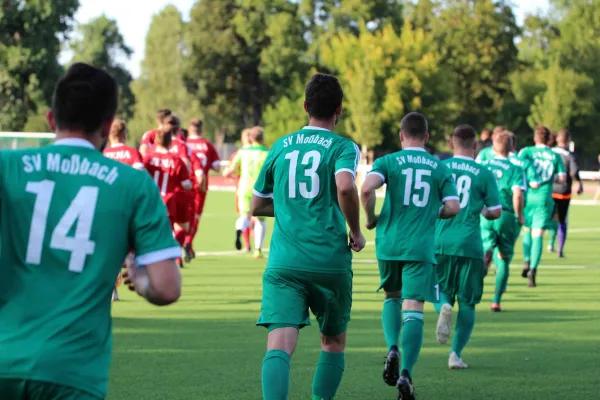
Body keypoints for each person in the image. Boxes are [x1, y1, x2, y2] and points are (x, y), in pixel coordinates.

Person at [0, 63, 182, 400]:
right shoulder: (133, 184)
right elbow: (167, 287)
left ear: (51, 118)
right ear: (107, 125)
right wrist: (141, 282)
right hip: (73, 372)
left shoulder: (7, 167)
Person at [251, 73, 365, 400]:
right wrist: (355, 231)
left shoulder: (281, 146)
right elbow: (345, 186)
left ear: (305, 106)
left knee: (279, 344)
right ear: (339, 109)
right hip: (329, 259)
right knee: (332, 343)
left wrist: (289, 206)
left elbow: (257, 204)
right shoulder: (343, 146)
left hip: (285, 262)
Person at [361, 112, 460, 400]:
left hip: (389, 243)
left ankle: (392, 347)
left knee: (392, 297)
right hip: (420, 246)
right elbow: (453, 207)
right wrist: (434, 211)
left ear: (401, 135)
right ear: (427, 138)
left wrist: (370, 218)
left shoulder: (388, 161)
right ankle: (406, 374)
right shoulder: (438, 166)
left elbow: (366, 188)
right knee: (414, 306)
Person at [433, 125, 501, 370]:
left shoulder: (439, 168)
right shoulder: (484, 173)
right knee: (469, 302)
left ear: (452, 143)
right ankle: (455, 355)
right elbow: (495, 212)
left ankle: (442, 306)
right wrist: (480, 208)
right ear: (475, 145)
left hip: (439, 242)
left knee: (438, 290)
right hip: (470, 244)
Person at [480, 132, 525, 312]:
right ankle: (496, 300)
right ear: (512, 148)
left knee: (484, 248)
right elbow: (518, 194)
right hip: (505, 214)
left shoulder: (483, 166)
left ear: (493, 146)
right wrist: (519, 215)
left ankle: (486, 254)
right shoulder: (515, 169)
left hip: (484, 213)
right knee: (504, 258)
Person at [103, 119, 145, 301]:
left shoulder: (102, 153)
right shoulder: (132, 153)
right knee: (128, 247)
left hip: (105, 206)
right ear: (125, 134)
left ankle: (112, 285)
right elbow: (140, 173)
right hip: (127, 206)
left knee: (109, 248)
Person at [519, 125, 566, 287]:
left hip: (528, 197)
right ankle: (533, 269)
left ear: (535, 138)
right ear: (549, 139)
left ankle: (526, 261)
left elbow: (517, 167)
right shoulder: (555, 155)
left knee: (526, 228)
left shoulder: (526, 152)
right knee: (538, 234)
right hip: (544, 198)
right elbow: (562, 178)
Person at [144, 127, 193, 267]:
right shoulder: (176, 160)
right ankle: (171, 259)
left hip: (151, 201)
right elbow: (187, 184)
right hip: (168, 201)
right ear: (170, 141)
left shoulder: (148, 158)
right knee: (169, 232)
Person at [223, 126, 269, 259]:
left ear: (251, 138)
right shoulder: (266, 153)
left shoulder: (242, 152)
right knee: (260, 220)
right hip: (260, 190)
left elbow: (231, 170)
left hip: (243, 187)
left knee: (244, 217)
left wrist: (237, 173)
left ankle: (239, 229)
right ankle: (258, 250)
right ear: (262, 138)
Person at [185, 118, 221, 256]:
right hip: (201, 185)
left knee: (182, 216)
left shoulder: (184, 143)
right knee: (196, 216)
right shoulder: (207, 145)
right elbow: (217, 167)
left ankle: (183, 243)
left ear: (190, 129)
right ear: (201, 130)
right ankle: (189, 241)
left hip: (184, 184)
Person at [547, 129, 583, 257]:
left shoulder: (550, 152)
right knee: (562, 221)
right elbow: (573, 172)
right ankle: (560, 250)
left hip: (549, 190)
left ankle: (550, 243)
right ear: (568, 140)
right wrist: (579, 183)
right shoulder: (569, 155)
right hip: (563, 192)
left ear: (557, 139)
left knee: (550, 219)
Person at [226, 129, 253, 251]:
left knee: (244, 215)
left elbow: (228, 172)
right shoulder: (259, 152)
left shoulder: (238, 153)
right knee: (257, 218)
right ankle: (257, 246)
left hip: (241, 187)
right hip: (257, 187)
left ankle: (247, 245)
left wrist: (234, 178)